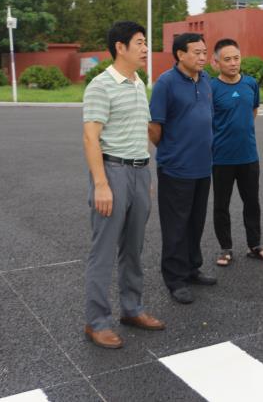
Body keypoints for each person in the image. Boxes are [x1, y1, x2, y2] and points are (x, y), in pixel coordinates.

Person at [82, 21, 164, 349]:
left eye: (145, 42)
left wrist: (145, 175)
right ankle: (97, 322)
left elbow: (138, 132)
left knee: (133, 247)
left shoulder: (137, 82)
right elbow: (91, 137)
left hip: (139, 172)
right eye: (140, 42)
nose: (145, 48)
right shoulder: (101, 86)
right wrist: (101, 184)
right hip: (112, 172)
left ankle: (132, 308)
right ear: (120, 47)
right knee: (103, 251)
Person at [149, 33, 216, 305]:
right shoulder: (166, 83)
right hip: (175, 168)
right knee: (175, 226)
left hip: (203, 166)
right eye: (196, 52)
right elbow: (154, 127)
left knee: (195, 222)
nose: (202, 57)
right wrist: (172, 150)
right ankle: (175, 278)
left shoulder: (206, 80)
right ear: (180, 54)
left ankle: (191, 268)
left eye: (204, 52)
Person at [210, 38, 263, 267]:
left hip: (248, 155)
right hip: (221, 157)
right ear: (216, 62)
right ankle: (225, 249)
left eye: (236, 58)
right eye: (227, 59)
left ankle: (255, 245)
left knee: (252, 202)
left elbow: (253, 111)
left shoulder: (250, 84)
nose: (233, 63)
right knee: (221, 205)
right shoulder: (211, 88)